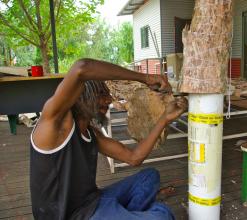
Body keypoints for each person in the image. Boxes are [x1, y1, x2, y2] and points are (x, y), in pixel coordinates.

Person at [30, 58, 188, 220]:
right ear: (80, 98)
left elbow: (134, 158)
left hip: (94, 202)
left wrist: (165, 119)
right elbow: (82, 67)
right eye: (101, 94)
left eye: (108, 94)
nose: (109, 100)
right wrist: (145, 78)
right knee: (163, 215)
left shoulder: (92, 134)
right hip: (74, 216)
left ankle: (128, 214)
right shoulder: (55, 126)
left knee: (149, 177)